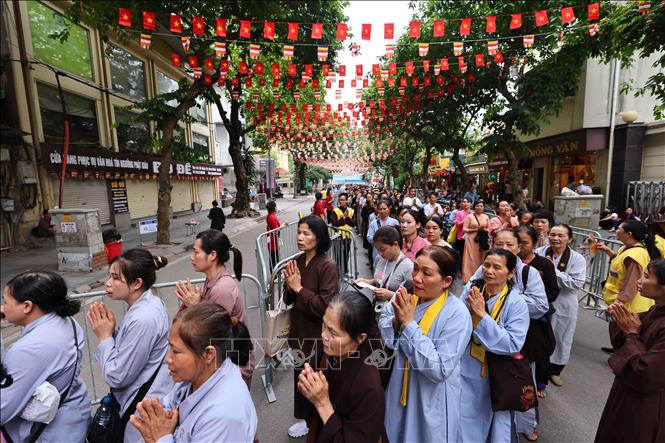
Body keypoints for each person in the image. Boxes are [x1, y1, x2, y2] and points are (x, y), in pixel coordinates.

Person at [379, 246, 473, 442]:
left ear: (447, 281)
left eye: (426, 273)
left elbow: (439, 369)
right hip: (398, 382)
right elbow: (384, 325)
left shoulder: (457, 314)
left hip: (431, 394)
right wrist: (397, 321)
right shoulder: (406, 295)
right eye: (415, 269)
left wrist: (409, 324)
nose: (417, 278)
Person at [130, 303, 257, 442]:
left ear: (208, 354)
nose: (168, 358)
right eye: (170, 347)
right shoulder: (194, 378)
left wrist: (161, 438)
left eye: (176, 351)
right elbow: (168, 408)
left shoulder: (224, 415)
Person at [86, 248, 172, 442]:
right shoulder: (146, 305)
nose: (108, 283)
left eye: (116, 278)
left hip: (142, 408)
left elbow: (117, 376)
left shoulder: (143, 318)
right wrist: (112, 332)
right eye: (109, 276)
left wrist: (105, 336)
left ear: (136, 283)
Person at [1, 271, 91, 442]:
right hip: (72, 421)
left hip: (47, 434)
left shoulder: (26, 350)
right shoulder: (68, 322)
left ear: (27, 306)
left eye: (5, 301)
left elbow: (3, 407)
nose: (2, 308)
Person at [459, 249, 531, 443]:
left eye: (497, 267)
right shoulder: (472, 290)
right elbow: (456, 323)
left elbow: (512, 344)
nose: (489, 271)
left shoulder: (516, 303)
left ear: (510, 274)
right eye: (487, 265)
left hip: (496, 372)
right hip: (467, 365)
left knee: (495, 425)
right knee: (464, 418)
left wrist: (482, 315)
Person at [298, 293, 386, 442]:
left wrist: (322, 402)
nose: (323, 335)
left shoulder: (369, 387)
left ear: (360, 338)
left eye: (333, 332)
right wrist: (309, 385)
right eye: (324, 325)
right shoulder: (330, 351)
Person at [594, 258, 665, 443]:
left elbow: (648, 373)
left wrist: (632, 334)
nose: (639, 281)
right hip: (627, 393)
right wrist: (620, 320)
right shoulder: (654, 311)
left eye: (647, 277)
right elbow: (625, 338)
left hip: (646, 406)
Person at [175, 230, 254, 387]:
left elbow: (212, 331)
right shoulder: (212, 281)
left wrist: (195, 306)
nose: (192, 257)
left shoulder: (222, 288)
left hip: (232, 365)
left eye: (196, 252)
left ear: (212, 255)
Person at [284, 215, 340, 438]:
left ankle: (318, 422)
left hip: (317, 336)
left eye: (306, 233)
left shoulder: (327, 266)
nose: (300, 237)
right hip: (299, 331)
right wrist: (289, 287)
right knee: (300, 376)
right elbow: (289, 298)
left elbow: (325, 306)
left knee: (315, 378)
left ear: (319, 238)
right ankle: (306, 420)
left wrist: (298, 289)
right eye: (299, 232)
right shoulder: (298, 261)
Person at [535, 224, 586, 389]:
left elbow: (575, 283)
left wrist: (551, 270)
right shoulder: (540, 252)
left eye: (561, 236)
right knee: (539, 335)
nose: (555, 238)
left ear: (569, 239)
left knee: (562, 336)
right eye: (553, 234)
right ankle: (537, 370)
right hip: (542, 298)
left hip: (564, 301)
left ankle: (555, 370)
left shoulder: (577, 258)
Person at [516, 225, 560, 396]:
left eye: (524, 243)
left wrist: (533, 298)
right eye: (517, 242)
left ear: (534, 243)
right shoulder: (509, 263)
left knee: (538, 350)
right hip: (515, 317)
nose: (520, 246)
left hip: (536, 317)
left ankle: (540, 383)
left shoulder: (544, 264)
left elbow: (552, 291)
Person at [596, 220, 662, 315]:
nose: (616, 230)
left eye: (619, 229)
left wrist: (618, 304)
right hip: (624, 306)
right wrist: (609, 251)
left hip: (630, 309)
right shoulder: (626, 248)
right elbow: (621, 265)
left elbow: (631, 283)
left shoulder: (636, 254)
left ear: (628, 234)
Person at [356, 226, 413, 306]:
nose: (380, 253)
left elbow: (411, 298)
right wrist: (366, 282)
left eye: (382, 249)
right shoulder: (379, 259)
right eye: (377, 250)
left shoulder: (408, 267)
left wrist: (390, 295)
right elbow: (379, 280)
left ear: (395, 244)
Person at [462, 200, 490, 283]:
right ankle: (468, 277)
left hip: (482, 240)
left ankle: (480, 277)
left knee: (481, 257)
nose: (479, 207)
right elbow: (464, 229)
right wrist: (476, 229)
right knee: (471, 258)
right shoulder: (469, 216)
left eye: (481, 206)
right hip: (471, 239)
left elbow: (489, 229)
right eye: (477, 206)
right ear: (474, 207)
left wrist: (484, 229)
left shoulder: (486, 217)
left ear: (483, 207)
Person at [330, 192, 356, 275]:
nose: (342, 201)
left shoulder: (351, 211)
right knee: (338, 254)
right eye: (340, 200)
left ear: (347, 201)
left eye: (343, 200)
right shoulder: (335, 211)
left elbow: (354, 223)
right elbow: (334, 223)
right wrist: (344, 220)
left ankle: (345, 271)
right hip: (338, 236)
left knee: (346, 254)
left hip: (347, 236)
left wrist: (347, 218)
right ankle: (337, 271)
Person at [266, 200, 282, 272]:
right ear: (274, 208)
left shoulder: (269, 216)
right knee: (275, 259)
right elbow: (276, 230)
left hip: (271, 241)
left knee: (272, 258)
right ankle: (276, 276)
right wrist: (284, 224)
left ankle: (274, 275)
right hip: (273, 242)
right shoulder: (273, 218)